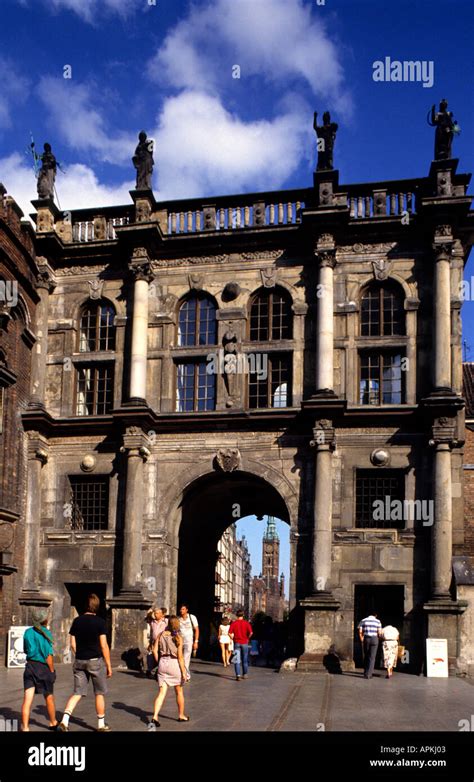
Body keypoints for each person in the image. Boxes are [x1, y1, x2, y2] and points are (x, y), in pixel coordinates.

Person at [58, 593, 113, 732]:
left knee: (77, 692)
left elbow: (72, 644)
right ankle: (101, 725)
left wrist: (80, 654)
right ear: (97, 607)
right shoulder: (100, 622)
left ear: (85, 606)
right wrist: (108, 665)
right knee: (99, 693)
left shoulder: (77, 621)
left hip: (79, 661)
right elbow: (104, 645)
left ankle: (64, 721)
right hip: (95, 661)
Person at [21, 609, 58, 732]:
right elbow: (48, 656)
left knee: (27, 699)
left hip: (30, 666)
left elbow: (26, 649)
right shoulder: (46, 633)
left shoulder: (27, 632)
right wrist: (52, 671)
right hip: (43, 668)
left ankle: (25, 727)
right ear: (44, 620)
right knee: (49, 697)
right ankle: (53, 722)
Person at [149, 615, 189, 728]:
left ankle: (155, 716)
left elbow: (154, 650)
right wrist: (184, 672)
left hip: (163, 663)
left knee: (161, 693)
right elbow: (180, 658)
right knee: (179, 692)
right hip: (174, 664)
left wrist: (158, 661)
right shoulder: (178, 638)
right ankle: (181, 715)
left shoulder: (161, 635)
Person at [229, 610, 253, 681]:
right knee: (245, 659)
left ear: (237, 615)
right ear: (243, 615)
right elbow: (251, 633)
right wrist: (247, 638)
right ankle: (245, 674)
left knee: (237, 660)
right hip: (244, 643)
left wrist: (233, 638)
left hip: (237, 643)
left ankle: (238, 675)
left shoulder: (234, 623)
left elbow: (229, 633)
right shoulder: (246, 623)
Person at [358, 611, 382, 679]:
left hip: (366, 639)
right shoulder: (378, 621)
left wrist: (362, 639)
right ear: (375, 615)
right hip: (374, 639)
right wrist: (378, 638)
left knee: (366, 655)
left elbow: (360, 631)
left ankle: (365, 672)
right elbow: (379, 633)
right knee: (372, 657)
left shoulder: (364, 620)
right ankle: (369, 674)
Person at [178, 604, 199, 680]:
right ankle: (181, 674)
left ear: (187, 610)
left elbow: (196, 630)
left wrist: (196, 641)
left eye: (183, 609)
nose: (181, 611)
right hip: (180, 641)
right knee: (179, 657)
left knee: (186, 658)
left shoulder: (192, 617)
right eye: (181, 609)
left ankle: (186, 675)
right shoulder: (178, 619)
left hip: (189, 640)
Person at [146, 607, 168, 678]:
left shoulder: (166, 621)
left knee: (161, 656)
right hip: (154, 642)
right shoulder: (153, 622)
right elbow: (151, 632)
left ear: (162, 614)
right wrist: (150, 643)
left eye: (157, 613)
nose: (155, 615)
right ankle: (152, 670)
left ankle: (159, 671)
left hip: (163, 643)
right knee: (152, 656)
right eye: (155, 613)